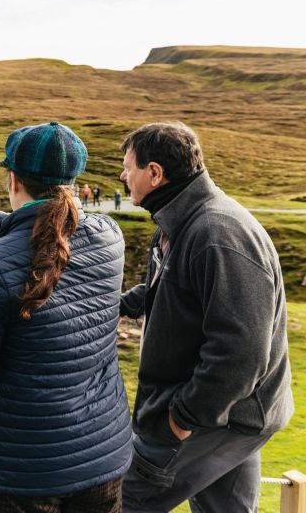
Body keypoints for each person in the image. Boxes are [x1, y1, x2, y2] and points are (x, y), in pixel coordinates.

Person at [0, 121, 132, 513]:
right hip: (103, 454)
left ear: (13, 180)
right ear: (72, 179)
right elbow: (52, 235)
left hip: (22, 472)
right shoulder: (110, 237)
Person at [118, 121, 293, 513]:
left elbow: (241, 352)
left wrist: (180, 421)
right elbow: (172, 288)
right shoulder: (179, 219)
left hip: (221, 416)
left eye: (128, 166)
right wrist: (115, 305)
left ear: (155, 173)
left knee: (120, 501)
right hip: (231, 412)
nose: (122, 175)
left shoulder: (217, 234)